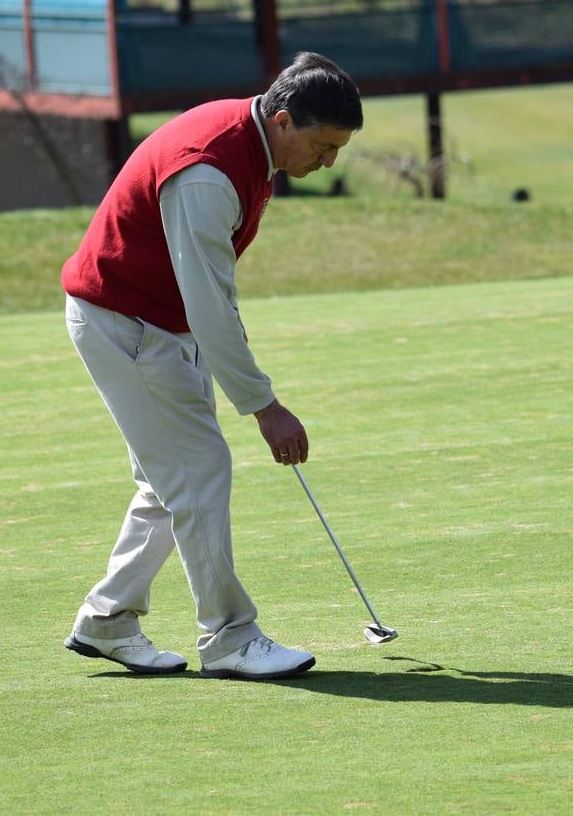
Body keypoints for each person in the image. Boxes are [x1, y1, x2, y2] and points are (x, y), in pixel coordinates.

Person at [59, 52, 363, 680]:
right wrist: (264, 407)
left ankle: (109, 619)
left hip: (148, 321)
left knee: (170, 481)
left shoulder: (253, 146)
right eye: (325, 144)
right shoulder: (211, 170)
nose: (329, 160)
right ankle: (228, 636)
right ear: (282, 120)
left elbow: (212, 292)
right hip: (126, 322)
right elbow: (208, 302)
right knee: (200, 468)